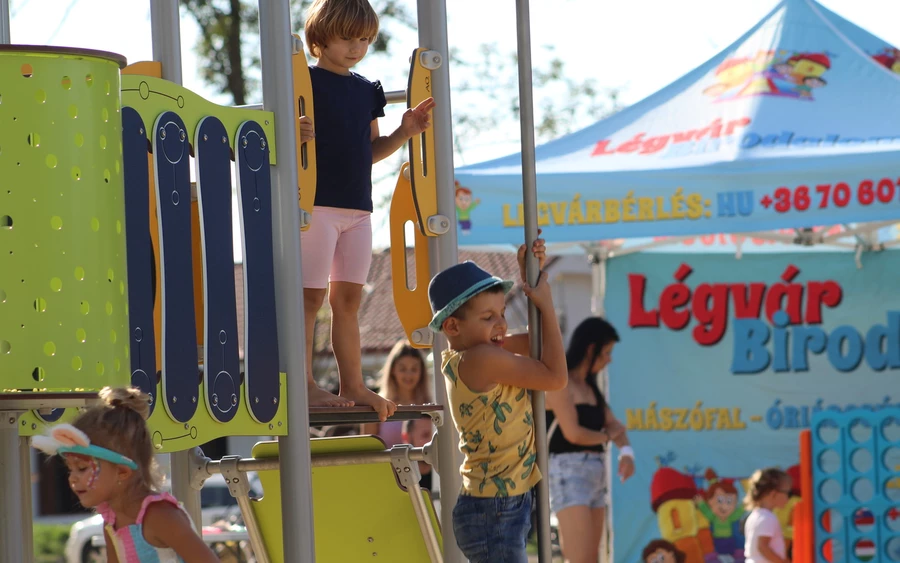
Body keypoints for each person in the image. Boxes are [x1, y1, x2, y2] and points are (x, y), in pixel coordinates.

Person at [300, 0, 436, 419]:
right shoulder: (302, 81)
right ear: (319, 38)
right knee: (309, 299)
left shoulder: (365, 89)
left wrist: (404, 131)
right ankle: (304, 383)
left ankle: (354, 384)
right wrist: (293, 131)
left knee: (349, 301)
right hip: (316, 206)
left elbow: (371, 150)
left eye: (364, 39)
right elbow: (276, 141)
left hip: (358, 210)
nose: (357, 47)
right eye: (347, 38)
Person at [428, 235, 568, 563]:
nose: (502, 323)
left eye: (503, 312)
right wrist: (545, 305)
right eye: (488, 316)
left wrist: (529, 281)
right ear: (452, 326)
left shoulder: (481, 353)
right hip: (493, 508)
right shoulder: (479, 359)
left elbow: (541, 342)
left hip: (501, 503)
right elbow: (556, 377)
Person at [32, 387, 217, 563]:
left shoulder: (160, 515)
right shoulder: (112, 521)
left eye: (81, 468)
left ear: (122, 471)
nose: (72, 478)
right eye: (70, 469)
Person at [544, 316, 634, 563]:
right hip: (567, 473)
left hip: (595, 475)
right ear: (591, 349)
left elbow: (615, 424)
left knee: (592, 558)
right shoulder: (560, 383)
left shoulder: (591, 387)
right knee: (580, 558)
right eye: (606, 353)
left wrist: (627, 453)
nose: (609, 360)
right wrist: (608, 437)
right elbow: (573, 433)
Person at [361, 340, 432, 446]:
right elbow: (366, 447)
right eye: (402, 369)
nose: (408, 375)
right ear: (393, 370)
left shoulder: (430, 407)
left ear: (422, 372)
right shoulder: (377, 406)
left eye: (414, 369)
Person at [743, 467, 791, 563]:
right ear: (773, 494)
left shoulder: (755, 515)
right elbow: (763, 547)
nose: (788, 498)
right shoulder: (767, 518)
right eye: (787, 493)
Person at [401, 418, 435, 490]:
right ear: (407, 437)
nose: (432, 442)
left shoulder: (449, 476)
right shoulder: (395, 481)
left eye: (435, 436)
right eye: (425, 435)